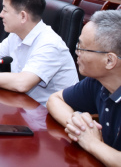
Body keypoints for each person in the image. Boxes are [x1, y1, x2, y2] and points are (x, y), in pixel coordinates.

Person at [47, 11, 121, 166]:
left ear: (109, 61)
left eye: (82, 48)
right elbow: (55, 99)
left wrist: (91, 142)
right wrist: (77, 124)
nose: (77, 53)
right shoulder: (98, 82)